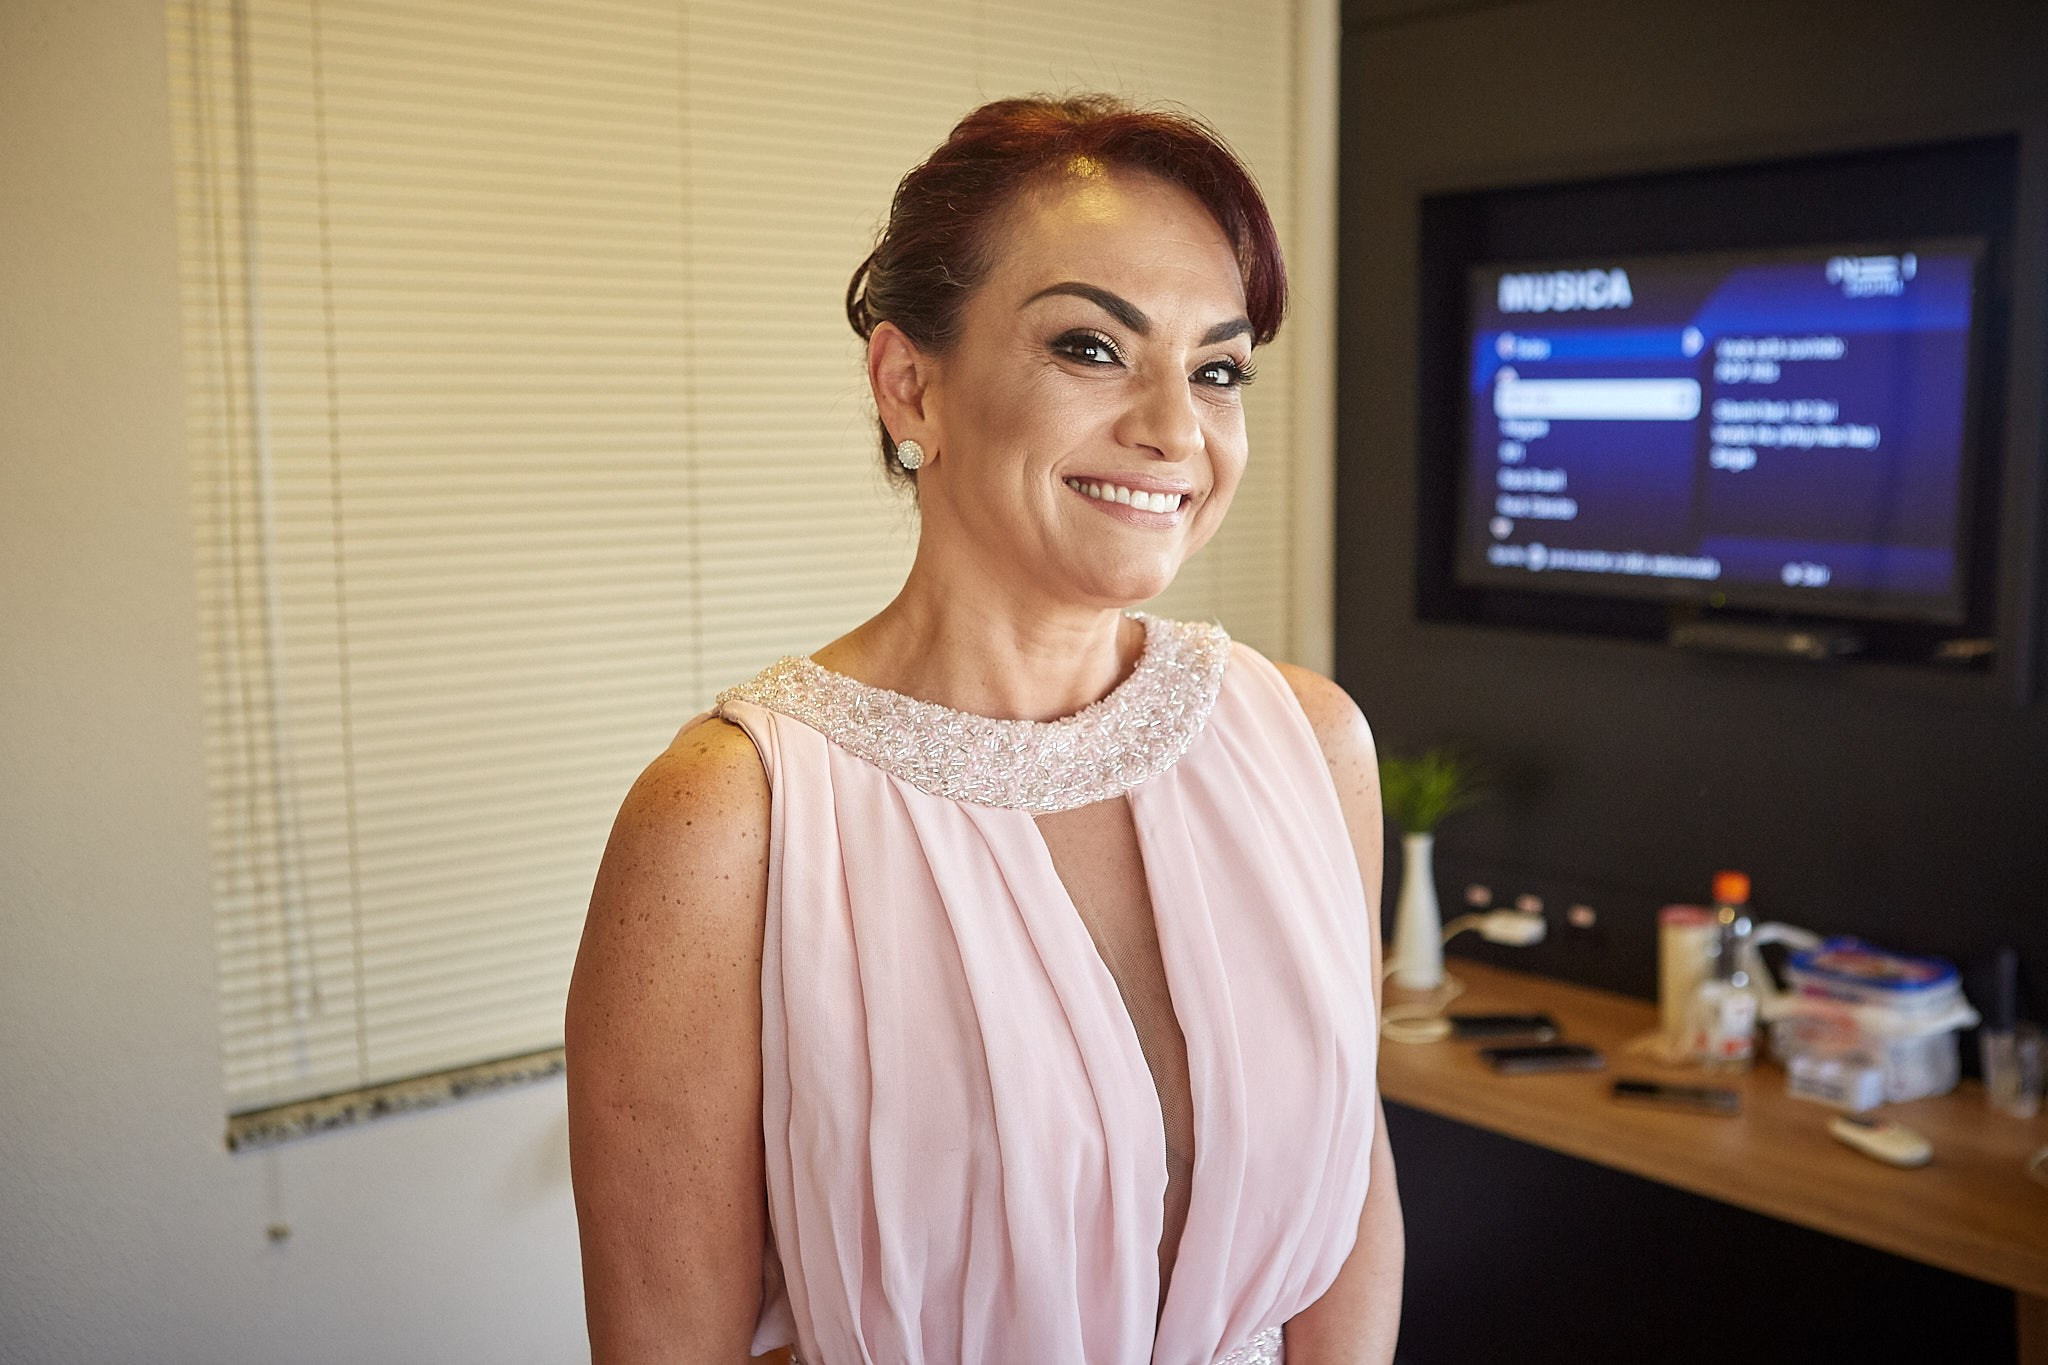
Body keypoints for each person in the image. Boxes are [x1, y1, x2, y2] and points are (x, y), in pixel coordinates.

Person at [565, 94, 1403, 1365]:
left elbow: (1351, 1206)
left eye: (1216, 368)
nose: (1175, 430)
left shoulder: (1308, 744)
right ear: (911, 384)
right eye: (1089, 347)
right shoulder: (733, 818)